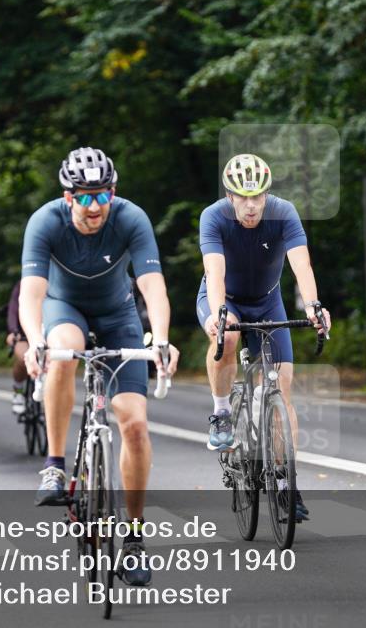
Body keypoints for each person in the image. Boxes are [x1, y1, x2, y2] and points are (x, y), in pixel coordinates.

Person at [20, 146, 180, 587]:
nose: (95, 207)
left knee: (135, 426)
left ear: (114, 193)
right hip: (64, 309)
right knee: (63, 350)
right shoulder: (45, 222)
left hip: (118, 316)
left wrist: (161, 339)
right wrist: (35, 342)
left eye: (103, 196)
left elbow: (152, 286)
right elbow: (31, 294)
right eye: (85, 197)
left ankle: (134, 539)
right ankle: (54, 465)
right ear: (68, 197)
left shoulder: (130, 218)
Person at [197, 153, 331, 523]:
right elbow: (214, 273)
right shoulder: (213, 217)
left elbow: (301, 264)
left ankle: (287, 482)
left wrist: (314, 306)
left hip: (268, 301)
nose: (252, 205)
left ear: (267, 194)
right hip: (224, 298)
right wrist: (220, 314)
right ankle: (222, 413)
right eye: (243, 197)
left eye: (258, 196)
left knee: (281, 391)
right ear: (230, 196)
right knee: (226, 339)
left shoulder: (284, 213)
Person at [5, 280, 28, 414]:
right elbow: (12, 311)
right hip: (22, 333)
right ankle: (18, 391)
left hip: (47, 332)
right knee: (24, 359)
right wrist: (14, 331)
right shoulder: (22, 285)